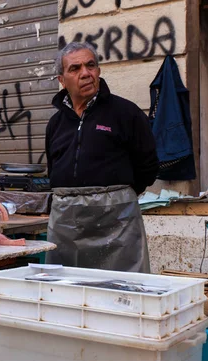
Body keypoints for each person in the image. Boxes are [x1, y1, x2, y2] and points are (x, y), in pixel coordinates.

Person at [44, 42, 159, 273]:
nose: (85, 73)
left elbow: (148, 165)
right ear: (61, 80)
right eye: (75, 69)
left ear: (98, 71)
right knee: (66, 288)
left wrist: (118, 195)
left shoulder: (126, 113)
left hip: (117, 219)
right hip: (66, 220)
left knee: (123, 288)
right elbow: (53, 168)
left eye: (91, 65)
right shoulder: (55, 124)